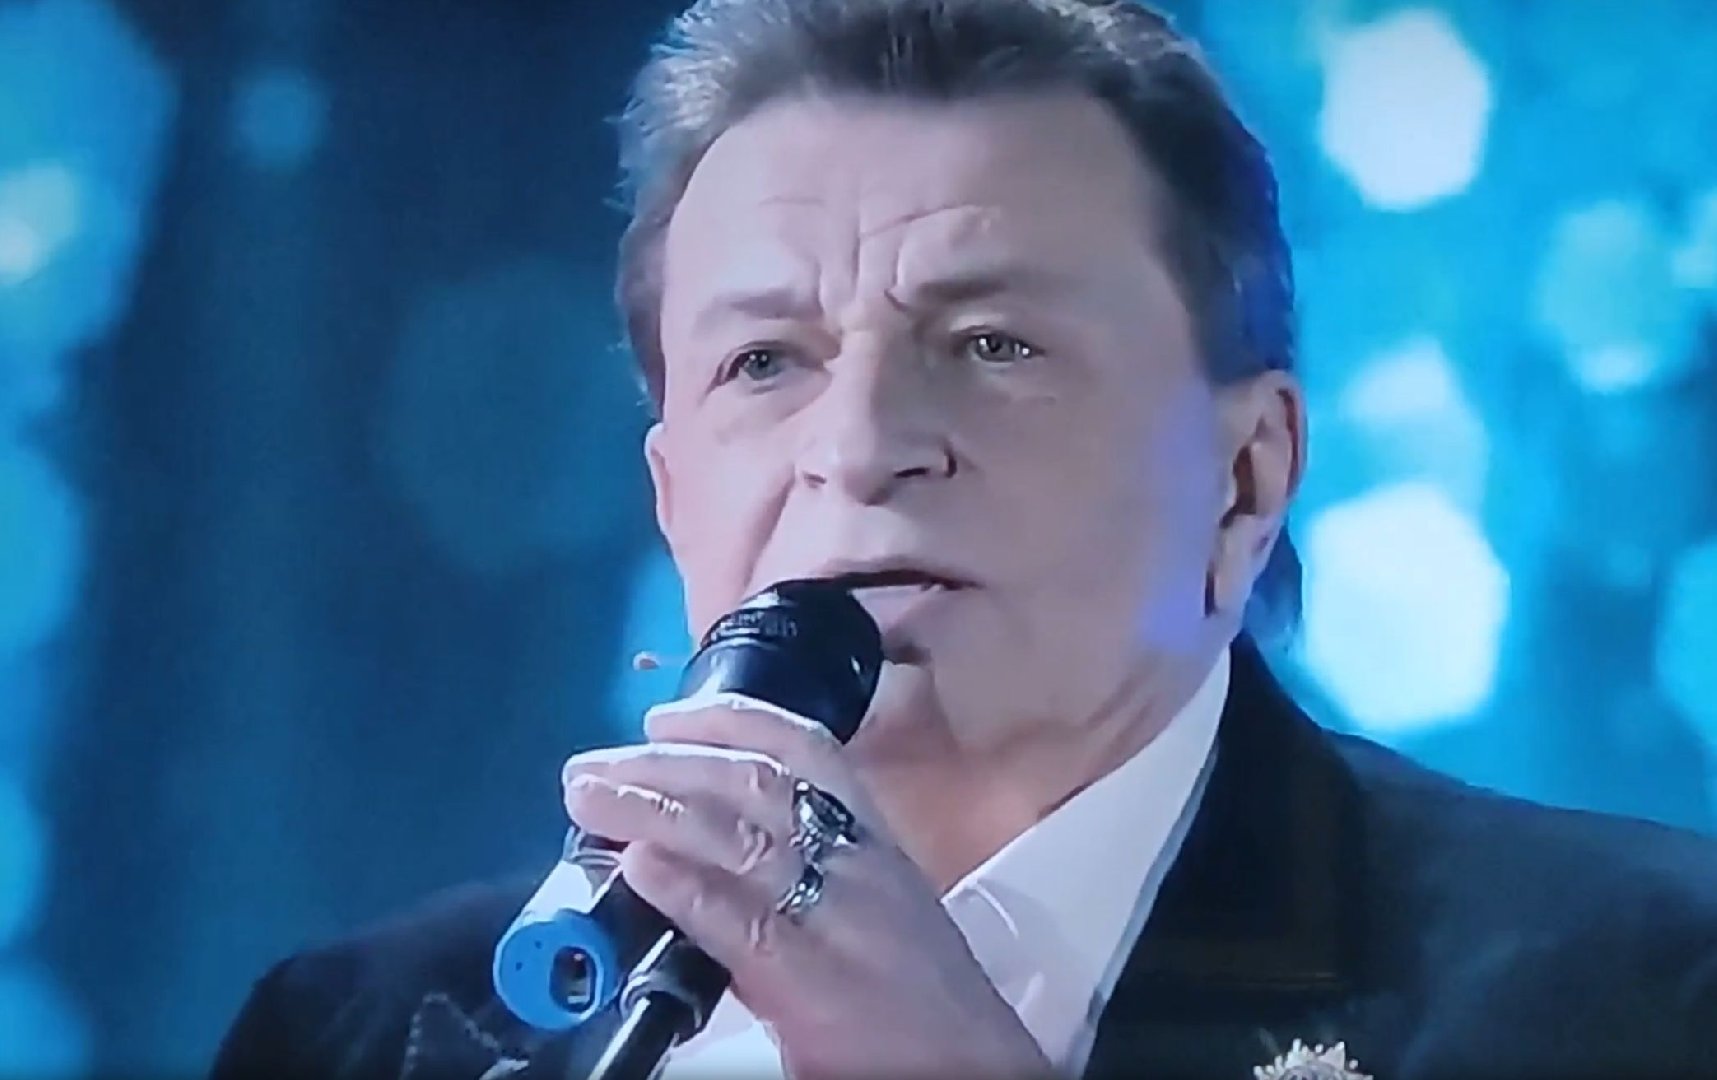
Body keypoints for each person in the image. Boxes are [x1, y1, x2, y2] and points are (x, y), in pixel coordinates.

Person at [210, 1, 1717, 1077]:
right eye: (763, 362)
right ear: (672, 498)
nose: (860, 444)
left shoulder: (1644, 989)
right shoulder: (358, 1029)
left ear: (1246, 476)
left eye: (994, 345)